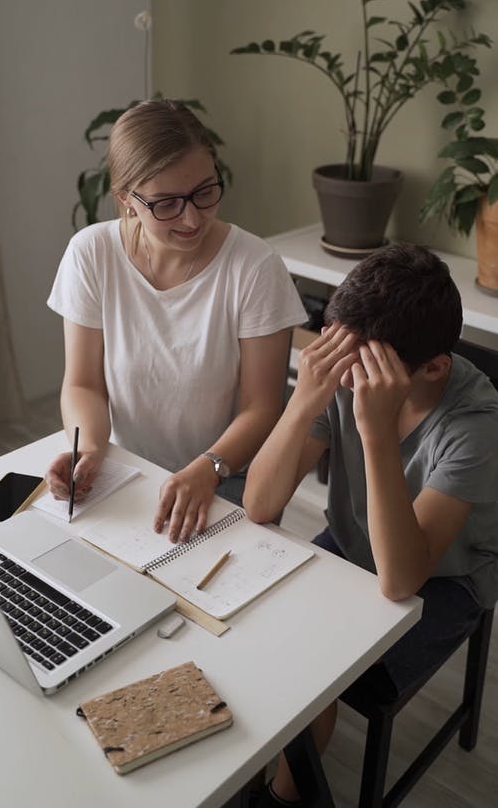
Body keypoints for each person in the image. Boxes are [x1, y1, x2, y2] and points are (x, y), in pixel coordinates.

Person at [243, 243, 498, 807]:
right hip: (356, 540)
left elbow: (401, 578)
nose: (345, 376)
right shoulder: (343, 373)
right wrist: (303, 402)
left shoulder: (475, 427)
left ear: (433, 367)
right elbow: (259, 505)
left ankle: (287, 798)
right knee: (254, 627)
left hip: (444, 578)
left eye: (364, 370)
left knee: (316, 668)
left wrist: (378, 432)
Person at [45, 98, 306, 542]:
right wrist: (88, 446)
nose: (191, 218)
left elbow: (262, 407)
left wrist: (209, 469)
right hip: (128, 473)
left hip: (229, 476)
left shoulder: (255, 267)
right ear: (127, 199)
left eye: (205, 192)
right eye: (166, 203)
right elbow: (83, 383)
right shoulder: (91, 254)